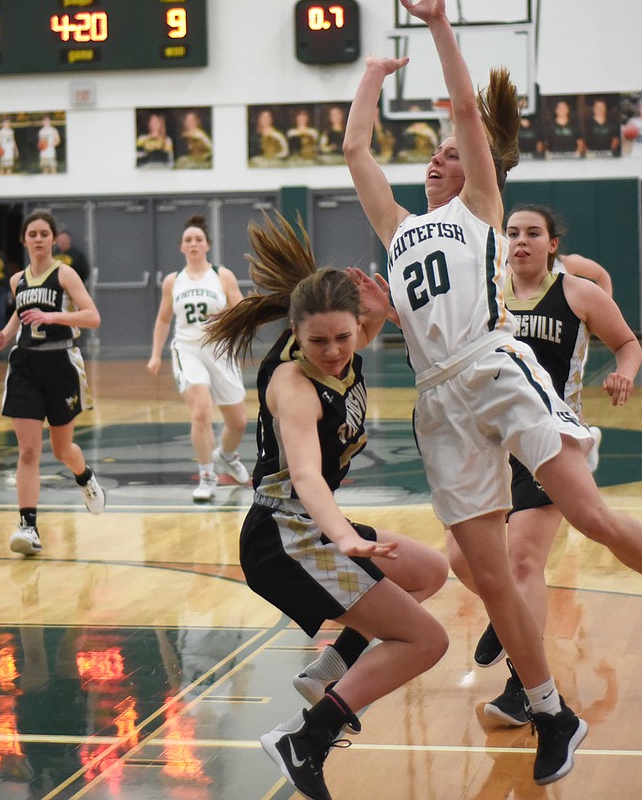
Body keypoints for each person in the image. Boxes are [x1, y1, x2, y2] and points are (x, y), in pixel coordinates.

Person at [342, 0, 642, 787]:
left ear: (479, 168)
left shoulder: (481, 211)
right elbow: (357, 147)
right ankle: (547, 710)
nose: (438, 159)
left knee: (587, 514)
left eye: (453, 154)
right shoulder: (397, 228)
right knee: (490, 577)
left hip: (494, 370)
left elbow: (465, 108)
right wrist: (370, 76)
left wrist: (436, 27)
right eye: (432, 154)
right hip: (438, 405)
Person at [203, 212, 450, 800]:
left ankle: (329, 671)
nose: (337, 350)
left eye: (346, 336)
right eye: (319, 341)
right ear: (294, 332)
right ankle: (305, 740)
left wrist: (383, 310)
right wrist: (343, 536)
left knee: (429, 570)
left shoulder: (347, 338)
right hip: (287, 537)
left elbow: (362, 330)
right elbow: (309, 477)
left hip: (310, 530)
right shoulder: (293, 383)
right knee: (427, 642)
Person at [454, 205, 641, 728]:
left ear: (552, 244)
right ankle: (508, 616)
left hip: (549, 442)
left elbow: (627, 342)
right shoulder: (486, 295)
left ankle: (524, 689)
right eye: (512, 233)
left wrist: (624, 372)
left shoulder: (577, 293)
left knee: (522, 563)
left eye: (533, 233)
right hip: (492, 444)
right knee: (460, 559)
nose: (521, 241)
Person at [0, 210, 105, 555]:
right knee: (27, 450)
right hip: (25, 364)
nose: (38, 239)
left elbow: (93, 317)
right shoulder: (16, 280)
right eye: (32, 234)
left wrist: (54, 316)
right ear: (24, 240)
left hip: (61, 363)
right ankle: (28, 526)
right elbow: (21, 316)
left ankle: (84, 477)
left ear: (53, 239)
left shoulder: (64, 274)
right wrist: (6, 335)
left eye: (43, 233)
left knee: (61, 449)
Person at [148, 214, 251, 502]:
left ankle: (227, 456)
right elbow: (163, 320)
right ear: (182, 247)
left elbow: (242, 310)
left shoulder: (222, 275)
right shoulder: (173, 281)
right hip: (188, 349)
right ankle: (208, 475)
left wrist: (231, 321)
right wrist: (156, 355)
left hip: (220, 350)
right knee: (201, 411)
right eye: (188, 240)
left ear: (207, 245)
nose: (193, 244)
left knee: (239, 422)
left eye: (198, 239)